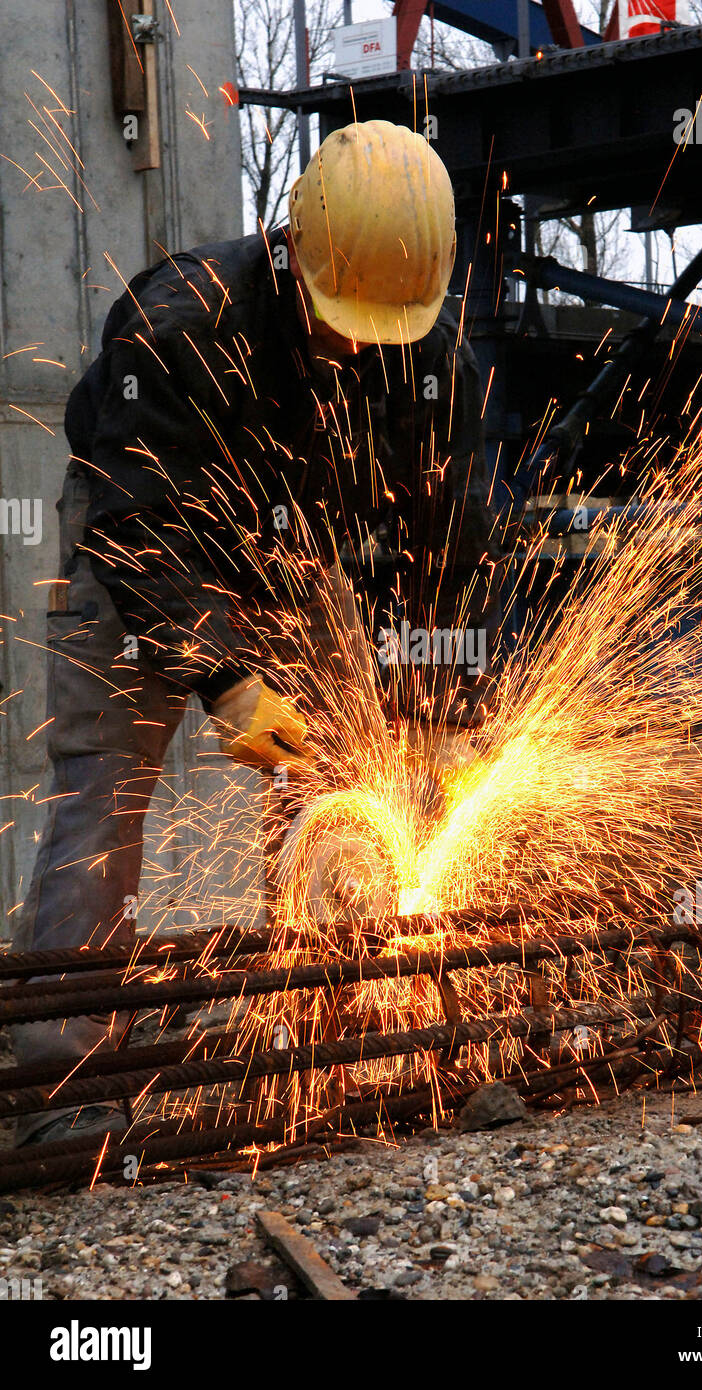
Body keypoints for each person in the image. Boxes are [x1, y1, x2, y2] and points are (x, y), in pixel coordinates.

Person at [11, 120, 497, 1145]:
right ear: (297, 255)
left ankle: (326, 1007)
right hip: (141, 555)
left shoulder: (427, 353)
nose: (359, 343)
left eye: (382, 325)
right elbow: (132, 519)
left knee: (336, 774)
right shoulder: (185, 320)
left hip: (293, 554)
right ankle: (68, 1075)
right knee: (105, 784)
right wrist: (222, 679)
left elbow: (447, 541)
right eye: (341, 320)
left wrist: (447, 707)